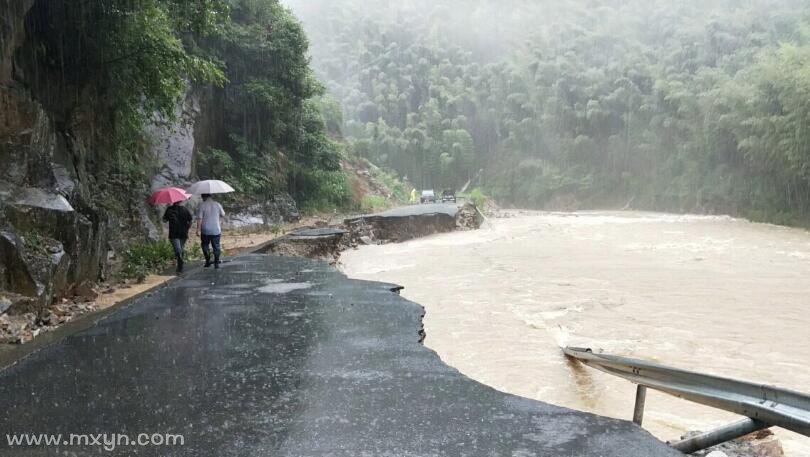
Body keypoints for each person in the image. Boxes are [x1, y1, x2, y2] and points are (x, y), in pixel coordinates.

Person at [162, 201, 193, 274]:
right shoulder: (185, 209)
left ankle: (180, 266)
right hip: (183, 233)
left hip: (174, 233)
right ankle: (180, 266)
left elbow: (164, 220)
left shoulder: (169, 209)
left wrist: (168, 217)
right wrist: (187, 228)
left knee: (178, 250)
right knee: (180, 249)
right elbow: (190, 220)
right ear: (180, 201)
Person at [196, 193, 226, 269]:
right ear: (211, 196)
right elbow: (223, 214)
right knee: (216, 246)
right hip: (216, 229)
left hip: (205, 230)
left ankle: (208, 262)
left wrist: (198, 229)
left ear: (203, 197)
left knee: (205, 245)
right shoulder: (217, 204)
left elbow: (199, 218)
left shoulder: (202, 205)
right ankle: (216, 263)